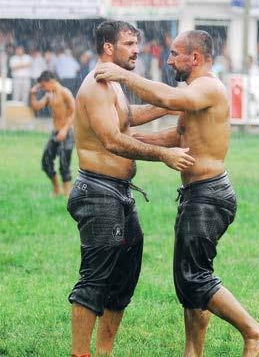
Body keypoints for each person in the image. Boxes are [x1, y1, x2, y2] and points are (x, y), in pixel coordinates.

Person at [94, 29, 259, 357]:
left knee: (194, 278)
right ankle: (193, 352)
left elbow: (169, 99)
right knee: (188, 283)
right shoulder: (196, 90)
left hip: (209, 196)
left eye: (175, 54)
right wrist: (125, 139)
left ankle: (254, 331)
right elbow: (176, 137)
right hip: (197, 197)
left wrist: (122, 75)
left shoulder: (207, 87)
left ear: (194, 58)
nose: (169, 59)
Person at [67, 20, 195, 357]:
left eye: (136, 42)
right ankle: (80, 354)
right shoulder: (95, 87)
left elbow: (126, 116)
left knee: (123, 281)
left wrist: (172, 102)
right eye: (128, 43)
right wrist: (163, 154)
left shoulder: (114, 85)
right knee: (94, 281)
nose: (137, 49)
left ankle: (104, 352)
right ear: (108, 47)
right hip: (97, 194)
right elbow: (112, 139)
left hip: (118, 194)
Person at [30, 71, 75, 197]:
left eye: (44, 86)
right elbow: (36, 107)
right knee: (46, 162)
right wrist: (32, 94)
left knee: (64, 164)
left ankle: (68, 193)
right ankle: (57, 189)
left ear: (51, 81)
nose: (43, 89)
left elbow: (75, 112)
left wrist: (65, 129)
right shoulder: (49, 95)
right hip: (55, 132)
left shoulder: (65, 92)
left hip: (68, 132)